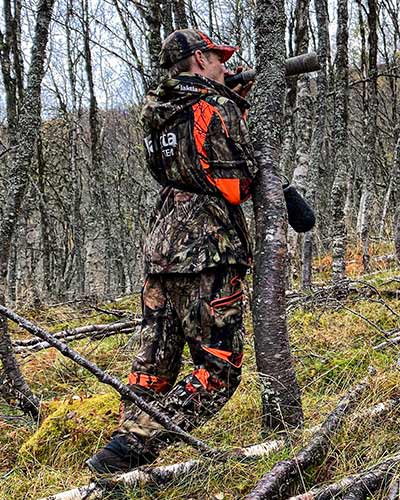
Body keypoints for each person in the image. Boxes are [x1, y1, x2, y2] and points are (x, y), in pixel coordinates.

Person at [86, 28, 257, 474]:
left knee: (153, 366)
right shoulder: (214, 107)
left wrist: (230, 98)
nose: (223, 65)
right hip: (208, 249)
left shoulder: (152, 110)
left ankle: (120, 456)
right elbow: (235, 183)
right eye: (218, 59)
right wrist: (234, 107)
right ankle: (135, 445)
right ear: (200, 60)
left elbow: (187, 153)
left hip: (161, 248)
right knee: (219, 367)